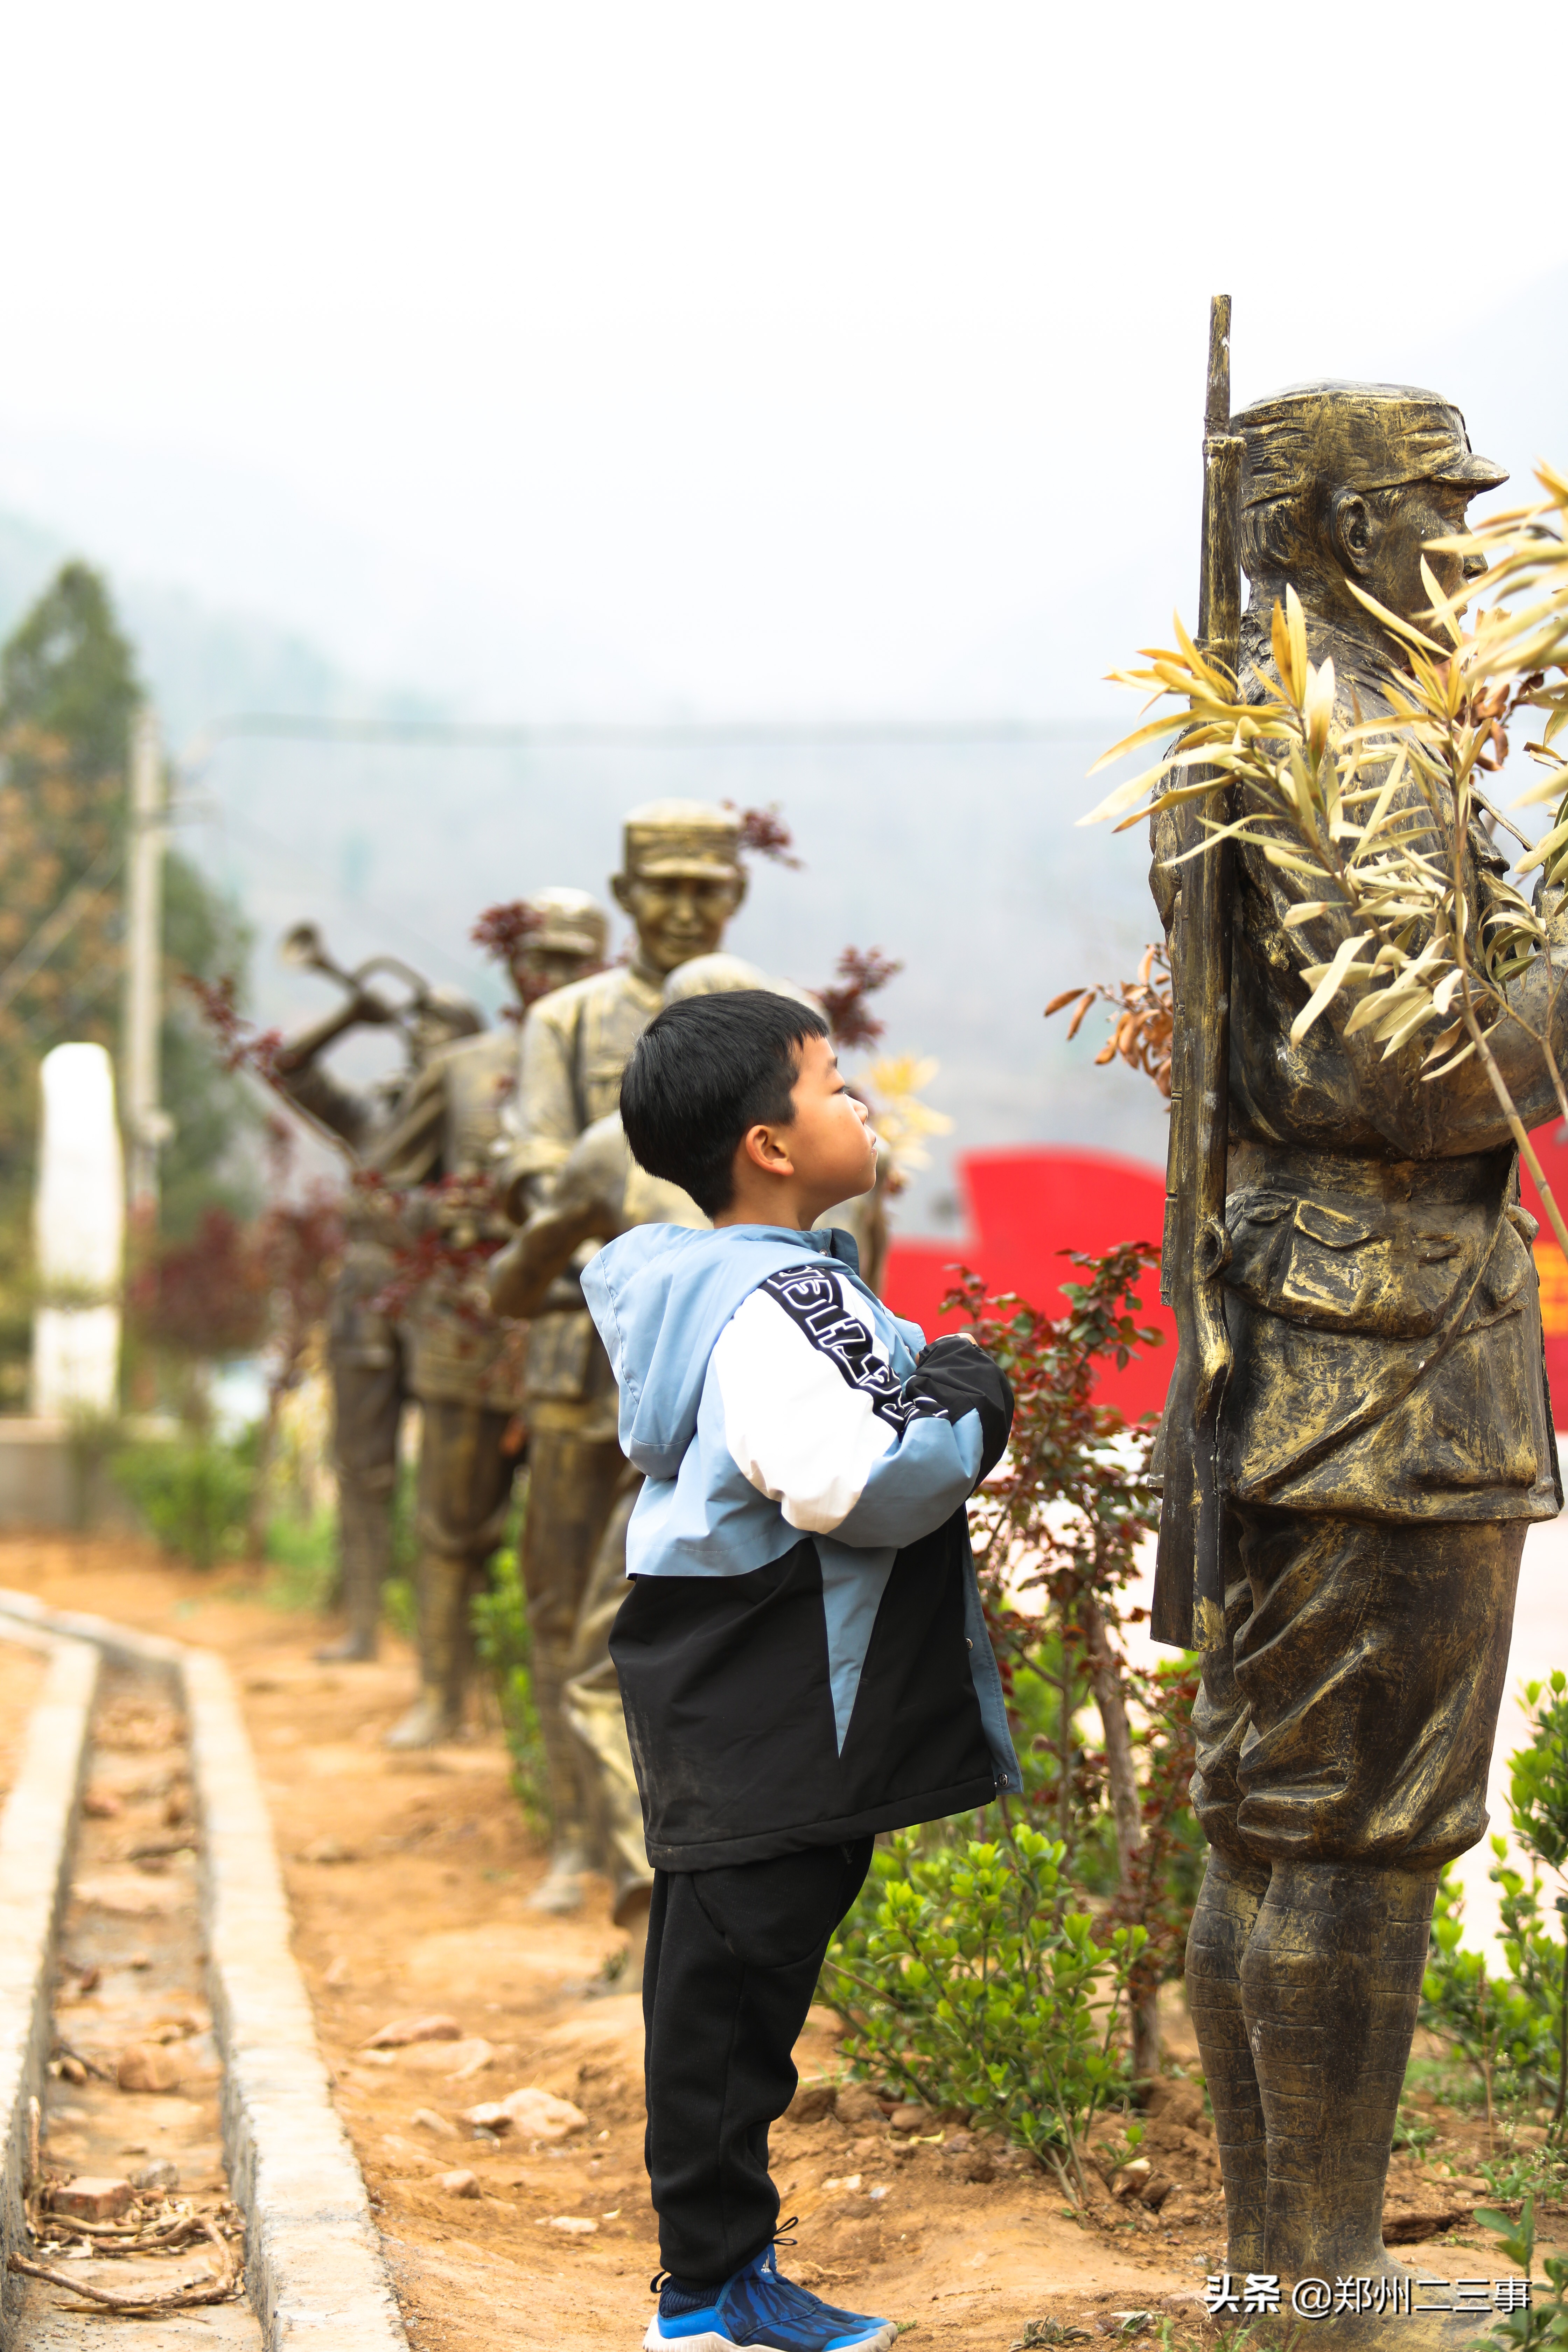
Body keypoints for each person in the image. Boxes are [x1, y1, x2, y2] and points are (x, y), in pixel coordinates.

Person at [1163, 382, 1566, 2300]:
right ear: (1317, 530)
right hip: (1386, 1353)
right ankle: (1318, 2279)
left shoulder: (1244, 739)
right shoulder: (1358, 758)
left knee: (1279, 1824)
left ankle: (1280, 2267)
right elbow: (1425, 1081)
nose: (1465, 545)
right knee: (1355, 1829)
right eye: (1426, 507)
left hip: (1311, 1339)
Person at [582, 988, 1018, 2352]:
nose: (862, 1106)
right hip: (774, 1702)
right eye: (836, 1085)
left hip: (749, 1700)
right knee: (727, 2008)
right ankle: (705, 2302)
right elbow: (857, 1476)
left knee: (732, 1999)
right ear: (770, 1145)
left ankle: (727, 2279)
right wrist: (972, 1396)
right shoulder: (781, 1294)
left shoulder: (763, 1285)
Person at [500, 802, 749, 1912]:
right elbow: (536, 1173)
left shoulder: (759, 1011)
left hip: (708, 1368)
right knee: (566, 1599)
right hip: (580, 1356)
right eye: (667, 886)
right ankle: (578, 1834)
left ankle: (673, 1845)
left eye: (708, 885)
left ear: (735, 896)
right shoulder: (564, 1020)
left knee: (687, 1603)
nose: (687, 905)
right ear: (625, 894)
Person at [370, 886, 609, 1746]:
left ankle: (551, 1739)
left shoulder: (619, 1077)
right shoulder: (464, 1068)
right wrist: (440, 1218)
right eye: (539, 955)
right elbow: (385, 1184)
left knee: (569, 1554)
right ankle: (441, 1696)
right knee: (449, 1522)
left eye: (574, 958)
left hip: (574, 1340)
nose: (554, 974)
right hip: (466, 1331)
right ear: (512, 965)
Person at [274, 976, 484, 1663]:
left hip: (447, 1303)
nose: (422, 1035)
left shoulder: (479, 1128)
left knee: (451, 1482)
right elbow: (289, 1071)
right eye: (417, 1024)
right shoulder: (377, 1120)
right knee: (362, 1467)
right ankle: (363, 1625)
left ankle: (445, 1648)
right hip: (366, 1300)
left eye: (442, 1025)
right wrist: (348, 1015)